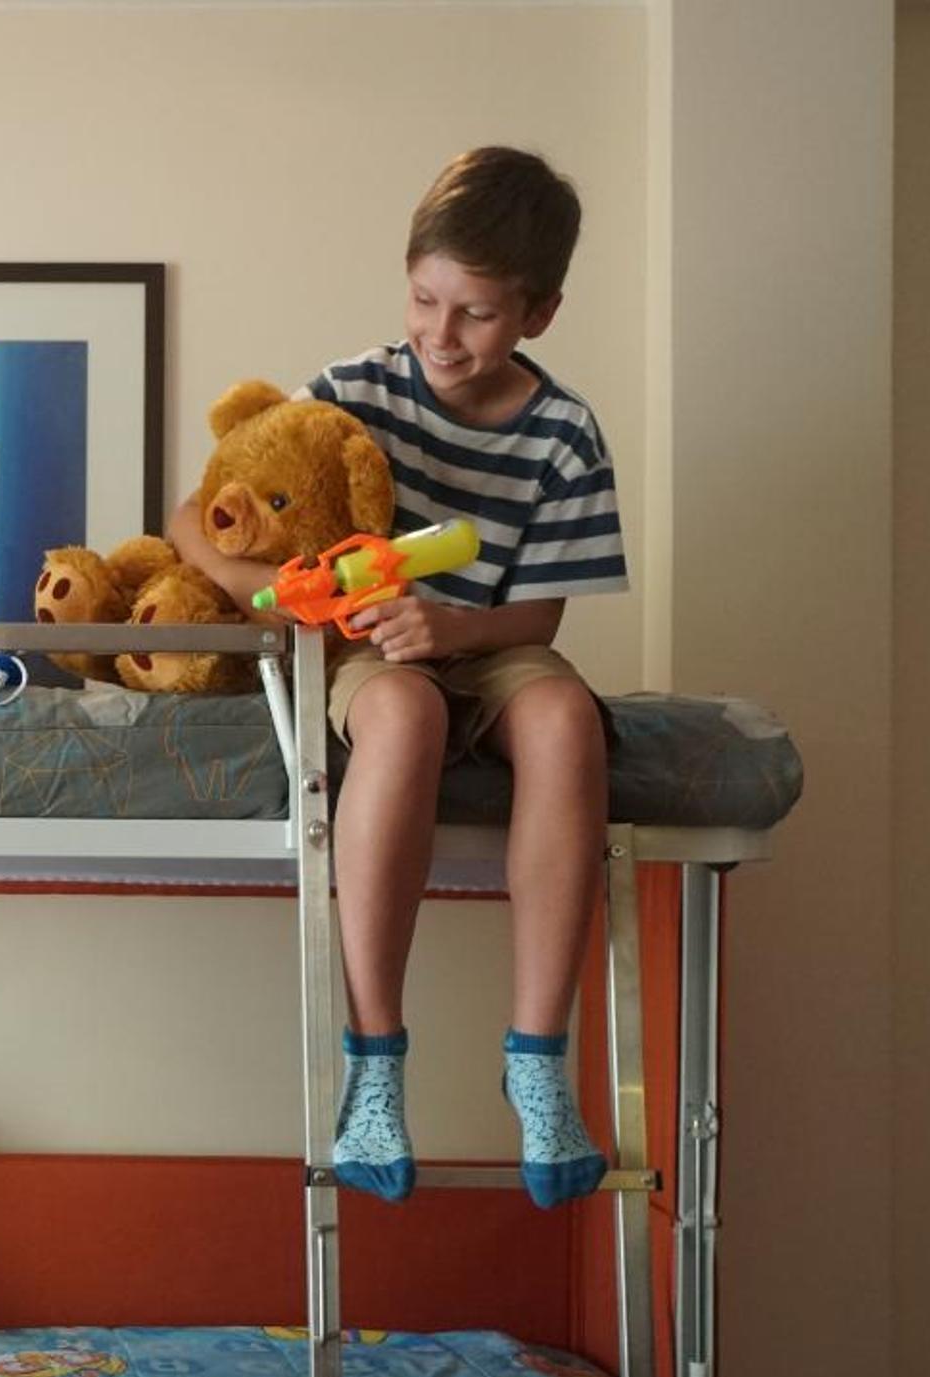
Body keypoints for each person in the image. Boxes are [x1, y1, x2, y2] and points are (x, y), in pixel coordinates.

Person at [168, 146, 625, 1208]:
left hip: (489, 637)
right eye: (424, 299)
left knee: (564, 718)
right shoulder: (352, 393)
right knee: (403, 715)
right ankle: (374, 1061)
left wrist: (453, 624)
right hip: (369, 648)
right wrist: (266, 590)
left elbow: (541, 615)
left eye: (475, 313)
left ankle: (537, 1061)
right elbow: (197, 515)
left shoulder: (562, 435)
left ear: (537, 315)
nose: (440, 333)